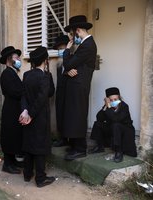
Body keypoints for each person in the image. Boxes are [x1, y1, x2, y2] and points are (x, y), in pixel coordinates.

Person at [62, 15, 97, 161]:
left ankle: (80, 148)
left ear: (77, 31)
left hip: (79, 86)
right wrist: (69, 68)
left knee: (78, 115)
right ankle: (75, 145)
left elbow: (70, 63)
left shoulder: (88, 45)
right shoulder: (84, 44)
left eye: (72, 33)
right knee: (74, 115)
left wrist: (67, 50)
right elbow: (71, 66)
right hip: (75, 85)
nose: (71, 37)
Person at [19, 46, 55, 188]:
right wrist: (31, 115)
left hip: (28, 114)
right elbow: (43, 98)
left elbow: (23, 95)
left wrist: (25, 111)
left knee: (28, 144)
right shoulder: (44, 77)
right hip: (39, 117)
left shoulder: (27, 75)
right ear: (45, 60)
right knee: (40, 146)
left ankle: (27, 174)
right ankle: (40, 178)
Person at [89, 87, 137, 162]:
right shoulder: (108, 106)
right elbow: (99, 118)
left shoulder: (124, 106)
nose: (113, 101)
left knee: (116, 125)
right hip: (113, 130)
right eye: (111, 100)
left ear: (119, 98)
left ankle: (118, 151)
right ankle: (99, 146)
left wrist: (109, 107)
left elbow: (115, 119)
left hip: (125, 132)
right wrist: (105, 107)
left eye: (115, 99)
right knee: (98, 123)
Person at [0, 46, 24, 174]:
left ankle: (12, 160)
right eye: (16, 57)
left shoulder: (12, 72)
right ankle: (7, 164)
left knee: (14, 135)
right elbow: (13, 91)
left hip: (14, 108)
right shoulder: (6, 73)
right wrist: (25, 91)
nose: (19, 59)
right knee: (10, 135)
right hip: (10, 109)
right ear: (9, 59)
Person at [52, 35, 70, 147]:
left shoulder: (72, 60)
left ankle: (70, 139)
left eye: (62, 49)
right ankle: (62, 138)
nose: (60, 51)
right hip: (60, 93)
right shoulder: (59, 64)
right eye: (59, 49)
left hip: (69, 94)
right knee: (60, 115)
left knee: (69, 117)